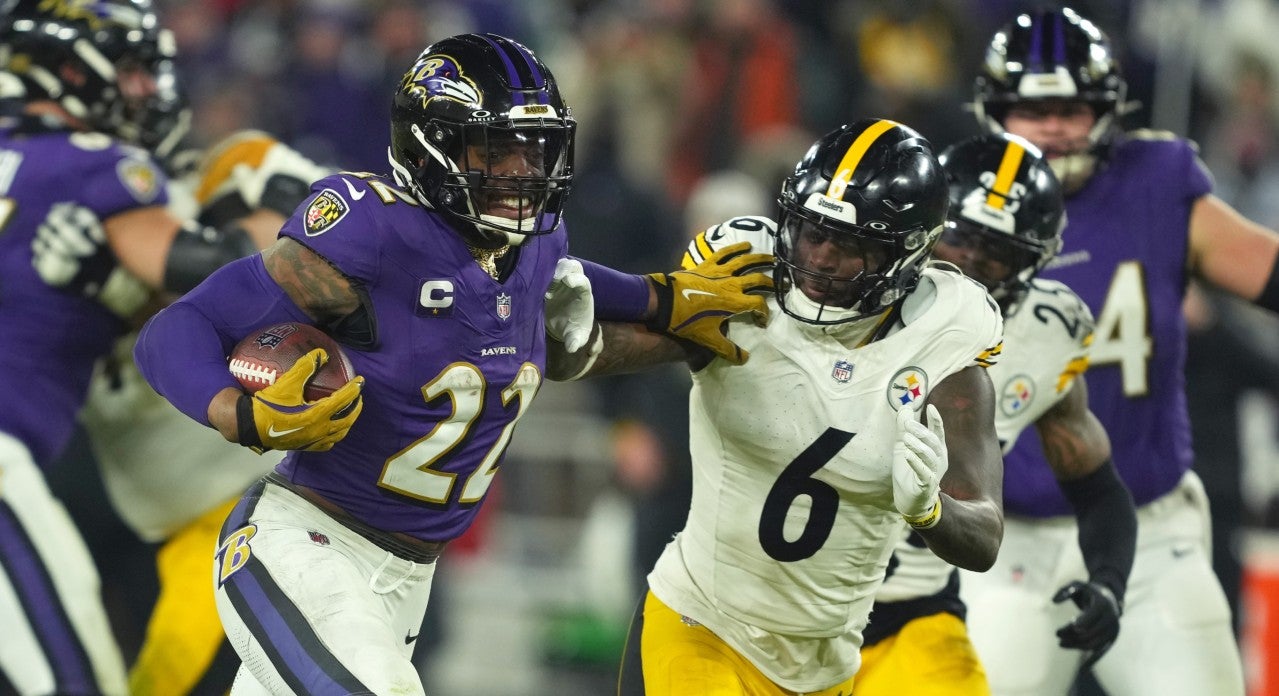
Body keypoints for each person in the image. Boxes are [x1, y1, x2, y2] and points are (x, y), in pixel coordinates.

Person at [131, 32, 772, 695]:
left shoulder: (536, 243)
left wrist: (659, 298)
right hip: (303, 548)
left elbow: (561, 286)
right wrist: (238, 412)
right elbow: (181, 325)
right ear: (431, 144)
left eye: (535, 148)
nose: (523, 170)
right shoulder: (370, 234)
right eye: (496, 150)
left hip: (408, 582)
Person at [587, 118, 1008, 695]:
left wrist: (931, 510)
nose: (823, 259)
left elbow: (983, 535)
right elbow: (622, 345)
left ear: (907, 256)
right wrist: (561, 336)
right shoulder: (744, 278)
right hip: (700, 623)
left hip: (825, 669)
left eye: (852, 244)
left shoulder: (944, 338)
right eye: (813, 233)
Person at [959, 8, 1279, 695]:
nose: (1050, 126)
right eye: (1030, 107)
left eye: (1070, 106)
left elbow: (1266, 271)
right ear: (995, 110)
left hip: (1152, 535)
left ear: (1105, 109)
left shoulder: (1156, 181)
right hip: (1006, 542)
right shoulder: (957, 207)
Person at [0, 1, 296, 692]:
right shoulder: (95, 166)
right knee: (74, 679)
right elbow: (227, 277)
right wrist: (265, 205)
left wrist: (108, 293)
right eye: (131, 71)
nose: (145, 90)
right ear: (67, 71)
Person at [854, 133, 1138, 695]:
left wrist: (1108, 582)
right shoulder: (847, 290)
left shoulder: (1047, 335)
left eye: (1000, 252)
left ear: (1033, 264)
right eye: (961, 237)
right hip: (780, 591)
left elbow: (1100, 491)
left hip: (911, 609)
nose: (972, 263)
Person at [77, 129, 330, 696]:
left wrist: (155, 269)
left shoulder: (236, 170)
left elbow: (290, 253)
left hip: (267, 491)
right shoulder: (45, 224)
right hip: (138, 516)